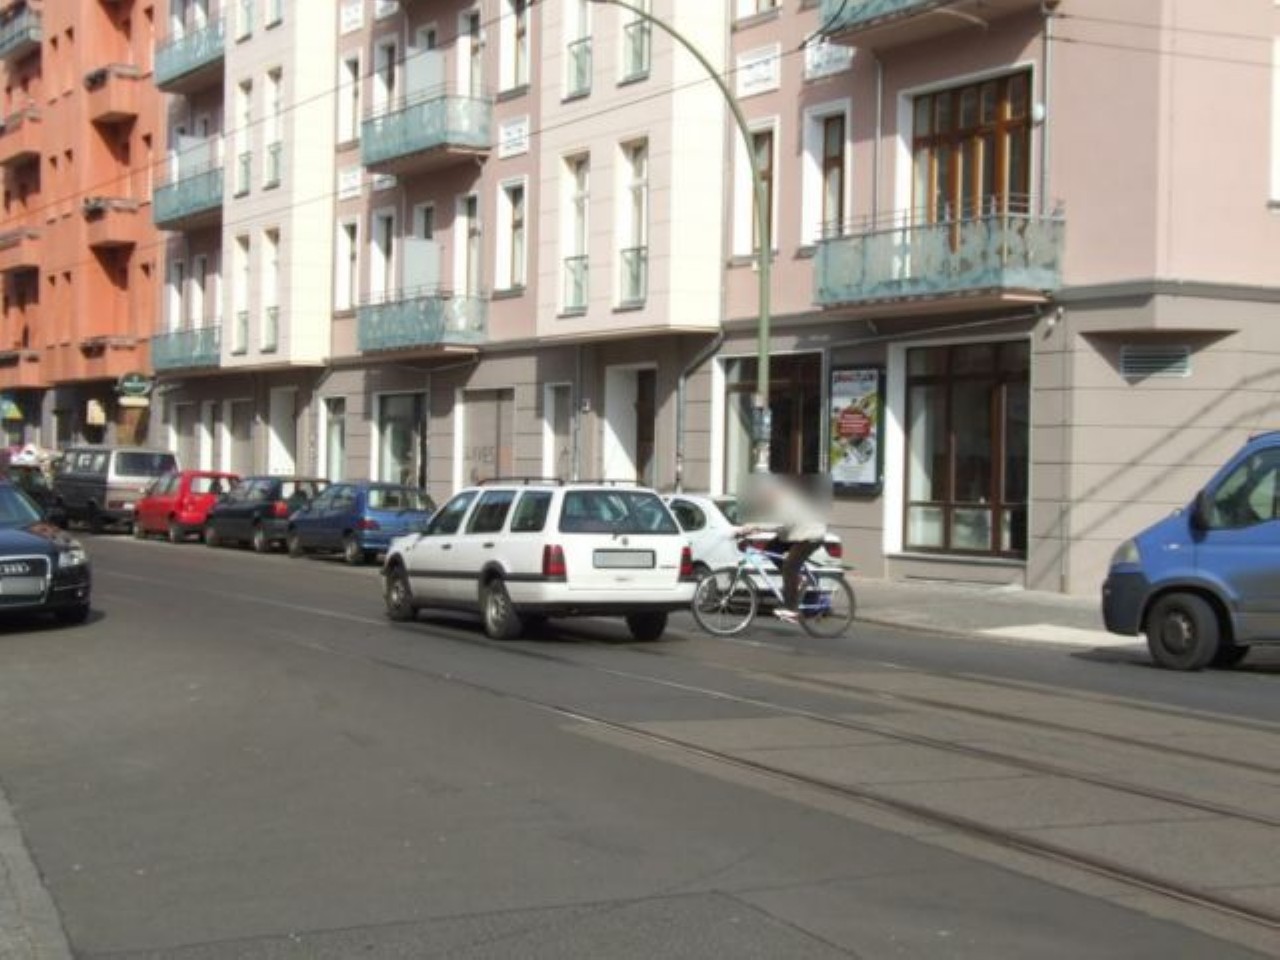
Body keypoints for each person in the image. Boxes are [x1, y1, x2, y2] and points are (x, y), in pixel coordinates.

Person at [740, 474, 829, 623]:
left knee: (789, 566)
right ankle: (797, 579)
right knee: (771, 549)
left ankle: (791, 609)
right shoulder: (775, 500)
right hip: (795, 534)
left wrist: (756, 527)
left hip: (810, 536)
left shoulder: (787, 499)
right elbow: (767, 519)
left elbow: (780, 522)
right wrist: (750, 528)